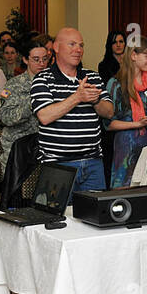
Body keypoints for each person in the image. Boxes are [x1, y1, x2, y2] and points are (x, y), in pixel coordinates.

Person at [32, 27, 114, 194]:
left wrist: (95, 99)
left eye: (81, 45)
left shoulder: (92, 77)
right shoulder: (43, 79)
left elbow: (109, 112)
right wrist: (77, 97)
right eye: (72, 44)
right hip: (58, 165)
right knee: (59, 218)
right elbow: (45, 116)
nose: (78, 50)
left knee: (95, 217)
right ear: (55, 48)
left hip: (93, 163)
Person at [105, 37, 147, 188]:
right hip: (126, 151)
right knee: (125, 197)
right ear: (133, 55)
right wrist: (138, 123)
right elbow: (108, 124)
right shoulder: (116, 84)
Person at [0, 42, 51, 166]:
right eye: (36, 59)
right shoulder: (12, 85)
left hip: (47, 147)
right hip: (18, 148)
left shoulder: (53, 83)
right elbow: (5, 117)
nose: (42, 64)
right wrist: (32, 103)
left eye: (45, 59)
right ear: (25, 60)